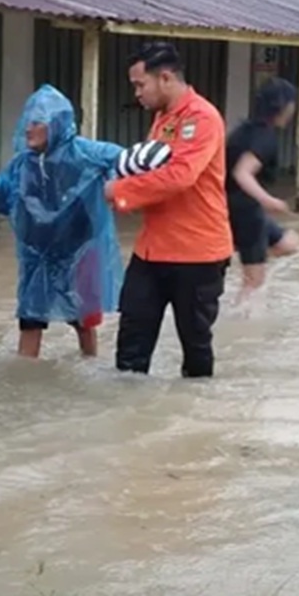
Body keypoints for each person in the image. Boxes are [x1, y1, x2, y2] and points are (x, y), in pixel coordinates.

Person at [0, 85, 124, 359]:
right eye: (27, 122)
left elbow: (124, 160)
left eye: (37, 122)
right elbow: (7, 200)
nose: (28, 129)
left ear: (56, 124)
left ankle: (89, 369)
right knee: (30, 318)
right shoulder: (23, 163)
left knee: (84, 321)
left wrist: (115, 185)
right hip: (37, 256)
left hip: (80, 249)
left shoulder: (85, 152)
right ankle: (25, 384)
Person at [105, 41, 232, 378]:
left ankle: (195, 421)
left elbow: (179, 176)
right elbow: (151, 173)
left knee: (195, 345)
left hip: (197, 253)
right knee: (131, 340)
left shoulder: (202, 118)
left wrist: (119, 192)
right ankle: (130, 420)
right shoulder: (163, 119)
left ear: (164, 78)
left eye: (139, 85)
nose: (137, 94)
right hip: (152, 249)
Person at [226, 77, 299, 305]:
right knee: (254, 283)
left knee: (290, 244)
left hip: (235, 206)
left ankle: (249, 262)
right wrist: (268, 200)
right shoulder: (264, 137)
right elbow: (242, 173)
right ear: (285, 106)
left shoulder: (243, 130)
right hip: (245, 211)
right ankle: (241, 327)